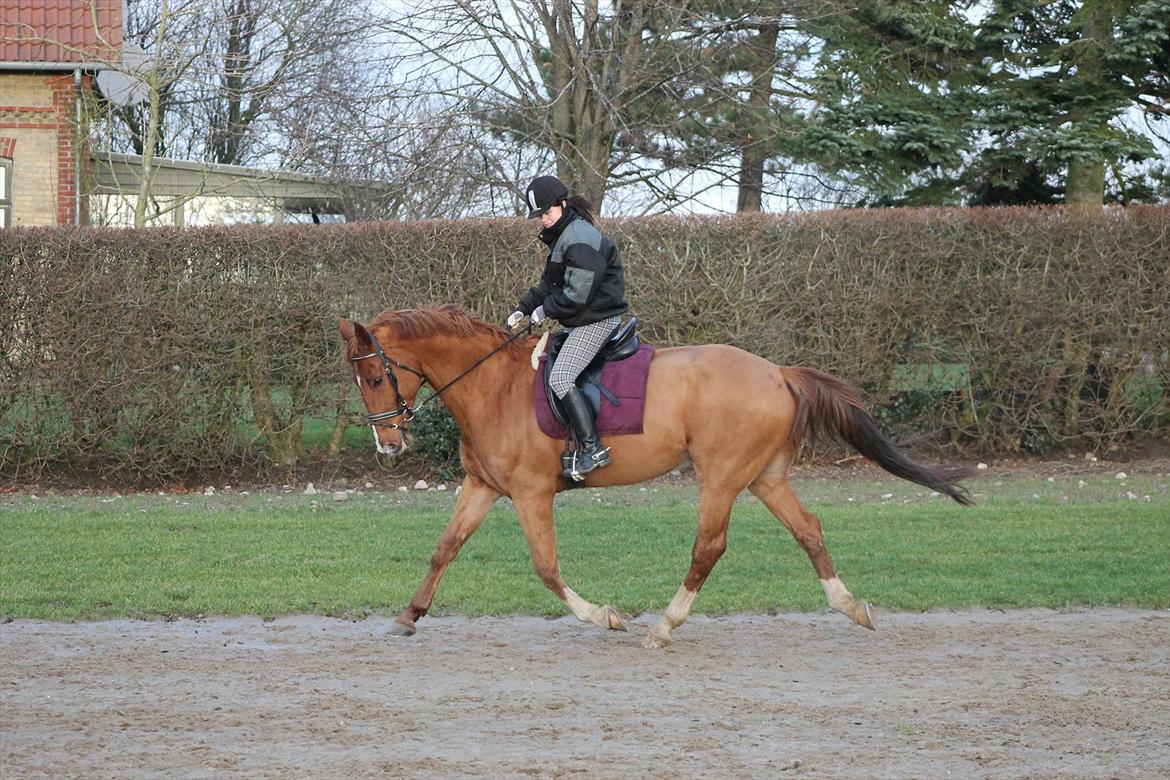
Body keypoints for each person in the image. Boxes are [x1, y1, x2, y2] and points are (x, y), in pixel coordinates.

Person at [507, 174, 628, 479]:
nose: (543, 220)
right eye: (539, 216)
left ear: (562, 204)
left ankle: (592, 449)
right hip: (585, 318)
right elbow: (550, 283)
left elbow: (576, 296)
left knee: (561, 378)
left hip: (598, 319)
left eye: (547, 213)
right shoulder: (563, 236)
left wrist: (543, 311)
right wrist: (523, 308)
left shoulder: (580, 240)